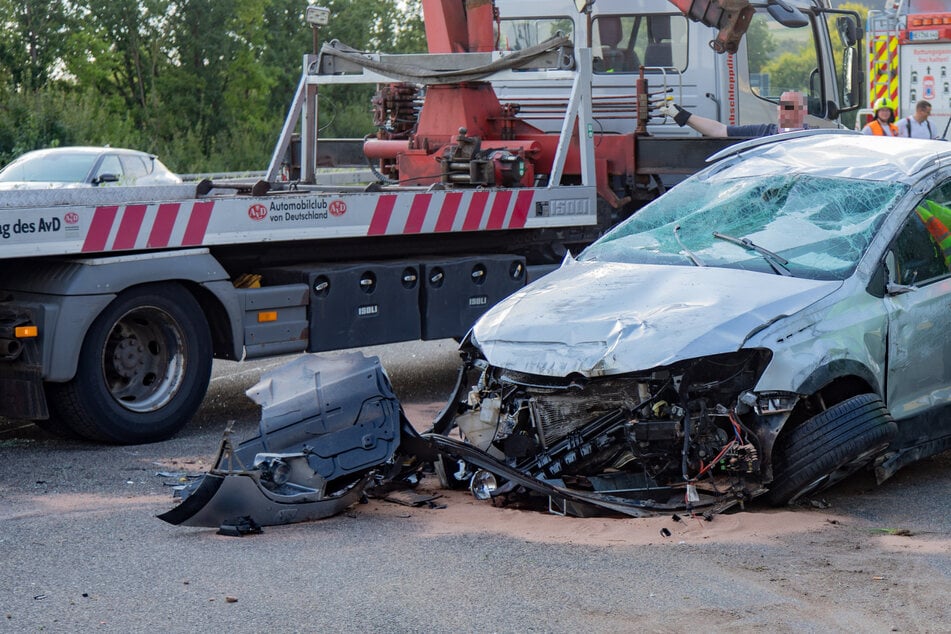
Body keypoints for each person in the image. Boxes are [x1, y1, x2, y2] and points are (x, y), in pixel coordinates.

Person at [657, 91, 808, 138]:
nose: (789, 113)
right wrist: (683, 116)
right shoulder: (764, 132)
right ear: (779, 111)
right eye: (785, 108)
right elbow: (719, 130)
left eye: (794, 108)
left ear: (804, 112)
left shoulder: (816, 137)